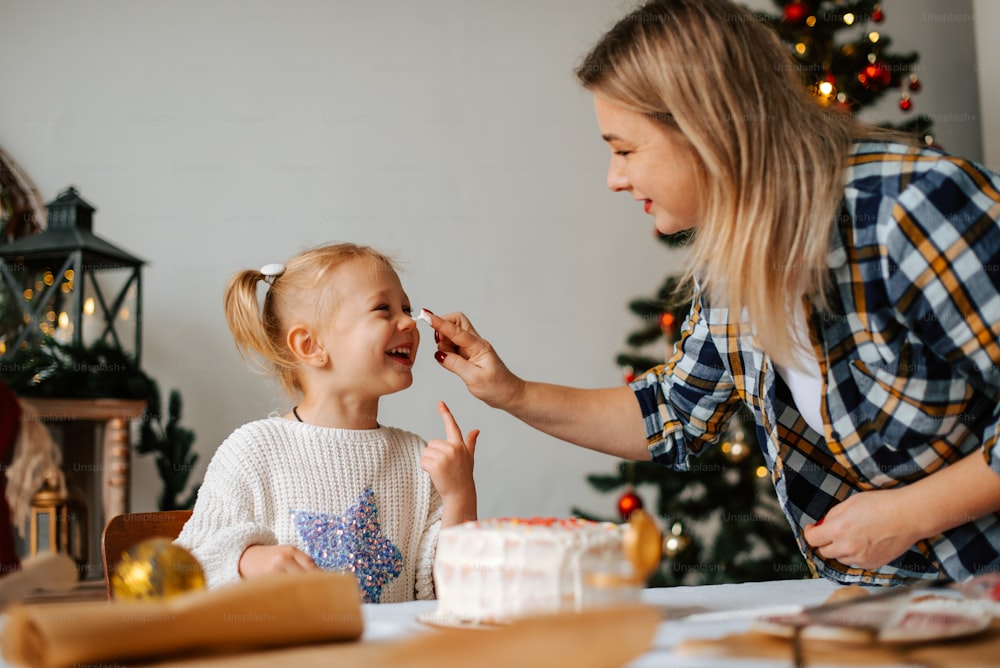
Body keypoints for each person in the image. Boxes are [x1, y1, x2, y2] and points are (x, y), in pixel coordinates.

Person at [422, 0, 1000, 586]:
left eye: (624, 149)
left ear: (706, 129)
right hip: (912, 600)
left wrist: (910, 513)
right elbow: (672, 412)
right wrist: (510, 391)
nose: (614, 178)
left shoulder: (912, 205)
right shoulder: (733, 265)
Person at [175, 243, 478, 602]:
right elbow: (184, 569)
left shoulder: (418, 459)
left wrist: (460, 495)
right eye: (383, 309)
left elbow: (452, 592)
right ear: (310, 346)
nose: (410, 322)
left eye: (407, 308)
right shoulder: (252, 452)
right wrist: (246, 561)